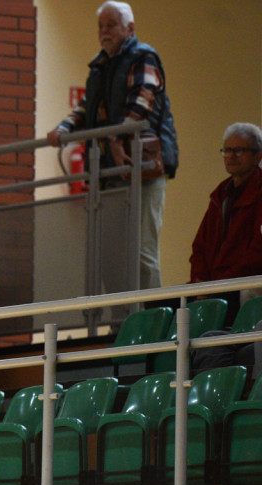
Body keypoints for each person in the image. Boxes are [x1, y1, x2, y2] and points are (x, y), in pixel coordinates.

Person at [46, 1, 178, 291]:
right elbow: (86, 107)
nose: (104, 31)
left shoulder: (144, 57)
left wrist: (116, 139)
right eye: (100, 26)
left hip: (142, 167)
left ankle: (150, 321)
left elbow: (142, 102)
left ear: (129, 28)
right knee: (111, 254)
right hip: (109, 171)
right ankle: (121, 322)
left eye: (111, 25)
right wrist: (63, 129)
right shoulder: (99, 66)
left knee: (142, 250)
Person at [189, 122, 262, 325]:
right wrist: (200, 282)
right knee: (163, 305)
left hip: (243, 285)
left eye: (239, 150)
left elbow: (257, 253)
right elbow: (199, 248)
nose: (231, 156)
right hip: (215, 286)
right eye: (227, 150)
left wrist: (220, 284)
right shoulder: (221, 194)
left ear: (258, 156)